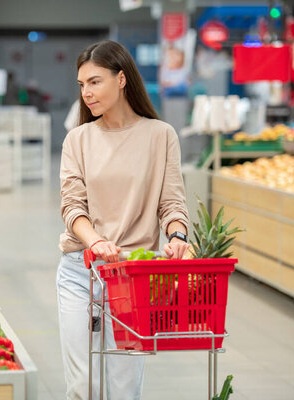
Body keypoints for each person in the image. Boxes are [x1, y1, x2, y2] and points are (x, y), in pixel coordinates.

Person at [57, 40, 190, 399]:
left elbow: (172, 203)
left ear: (121, 79)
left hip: (133, 279)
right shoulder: (78, 140)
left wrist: (177, 236)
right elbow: (72, 208)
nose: (87, 92)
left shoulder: (160, 136)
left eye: (95, 82)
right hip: (80, 272)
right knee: (83, 385)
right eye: (82, 84)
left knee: (124, 386)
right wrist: (95, 241)